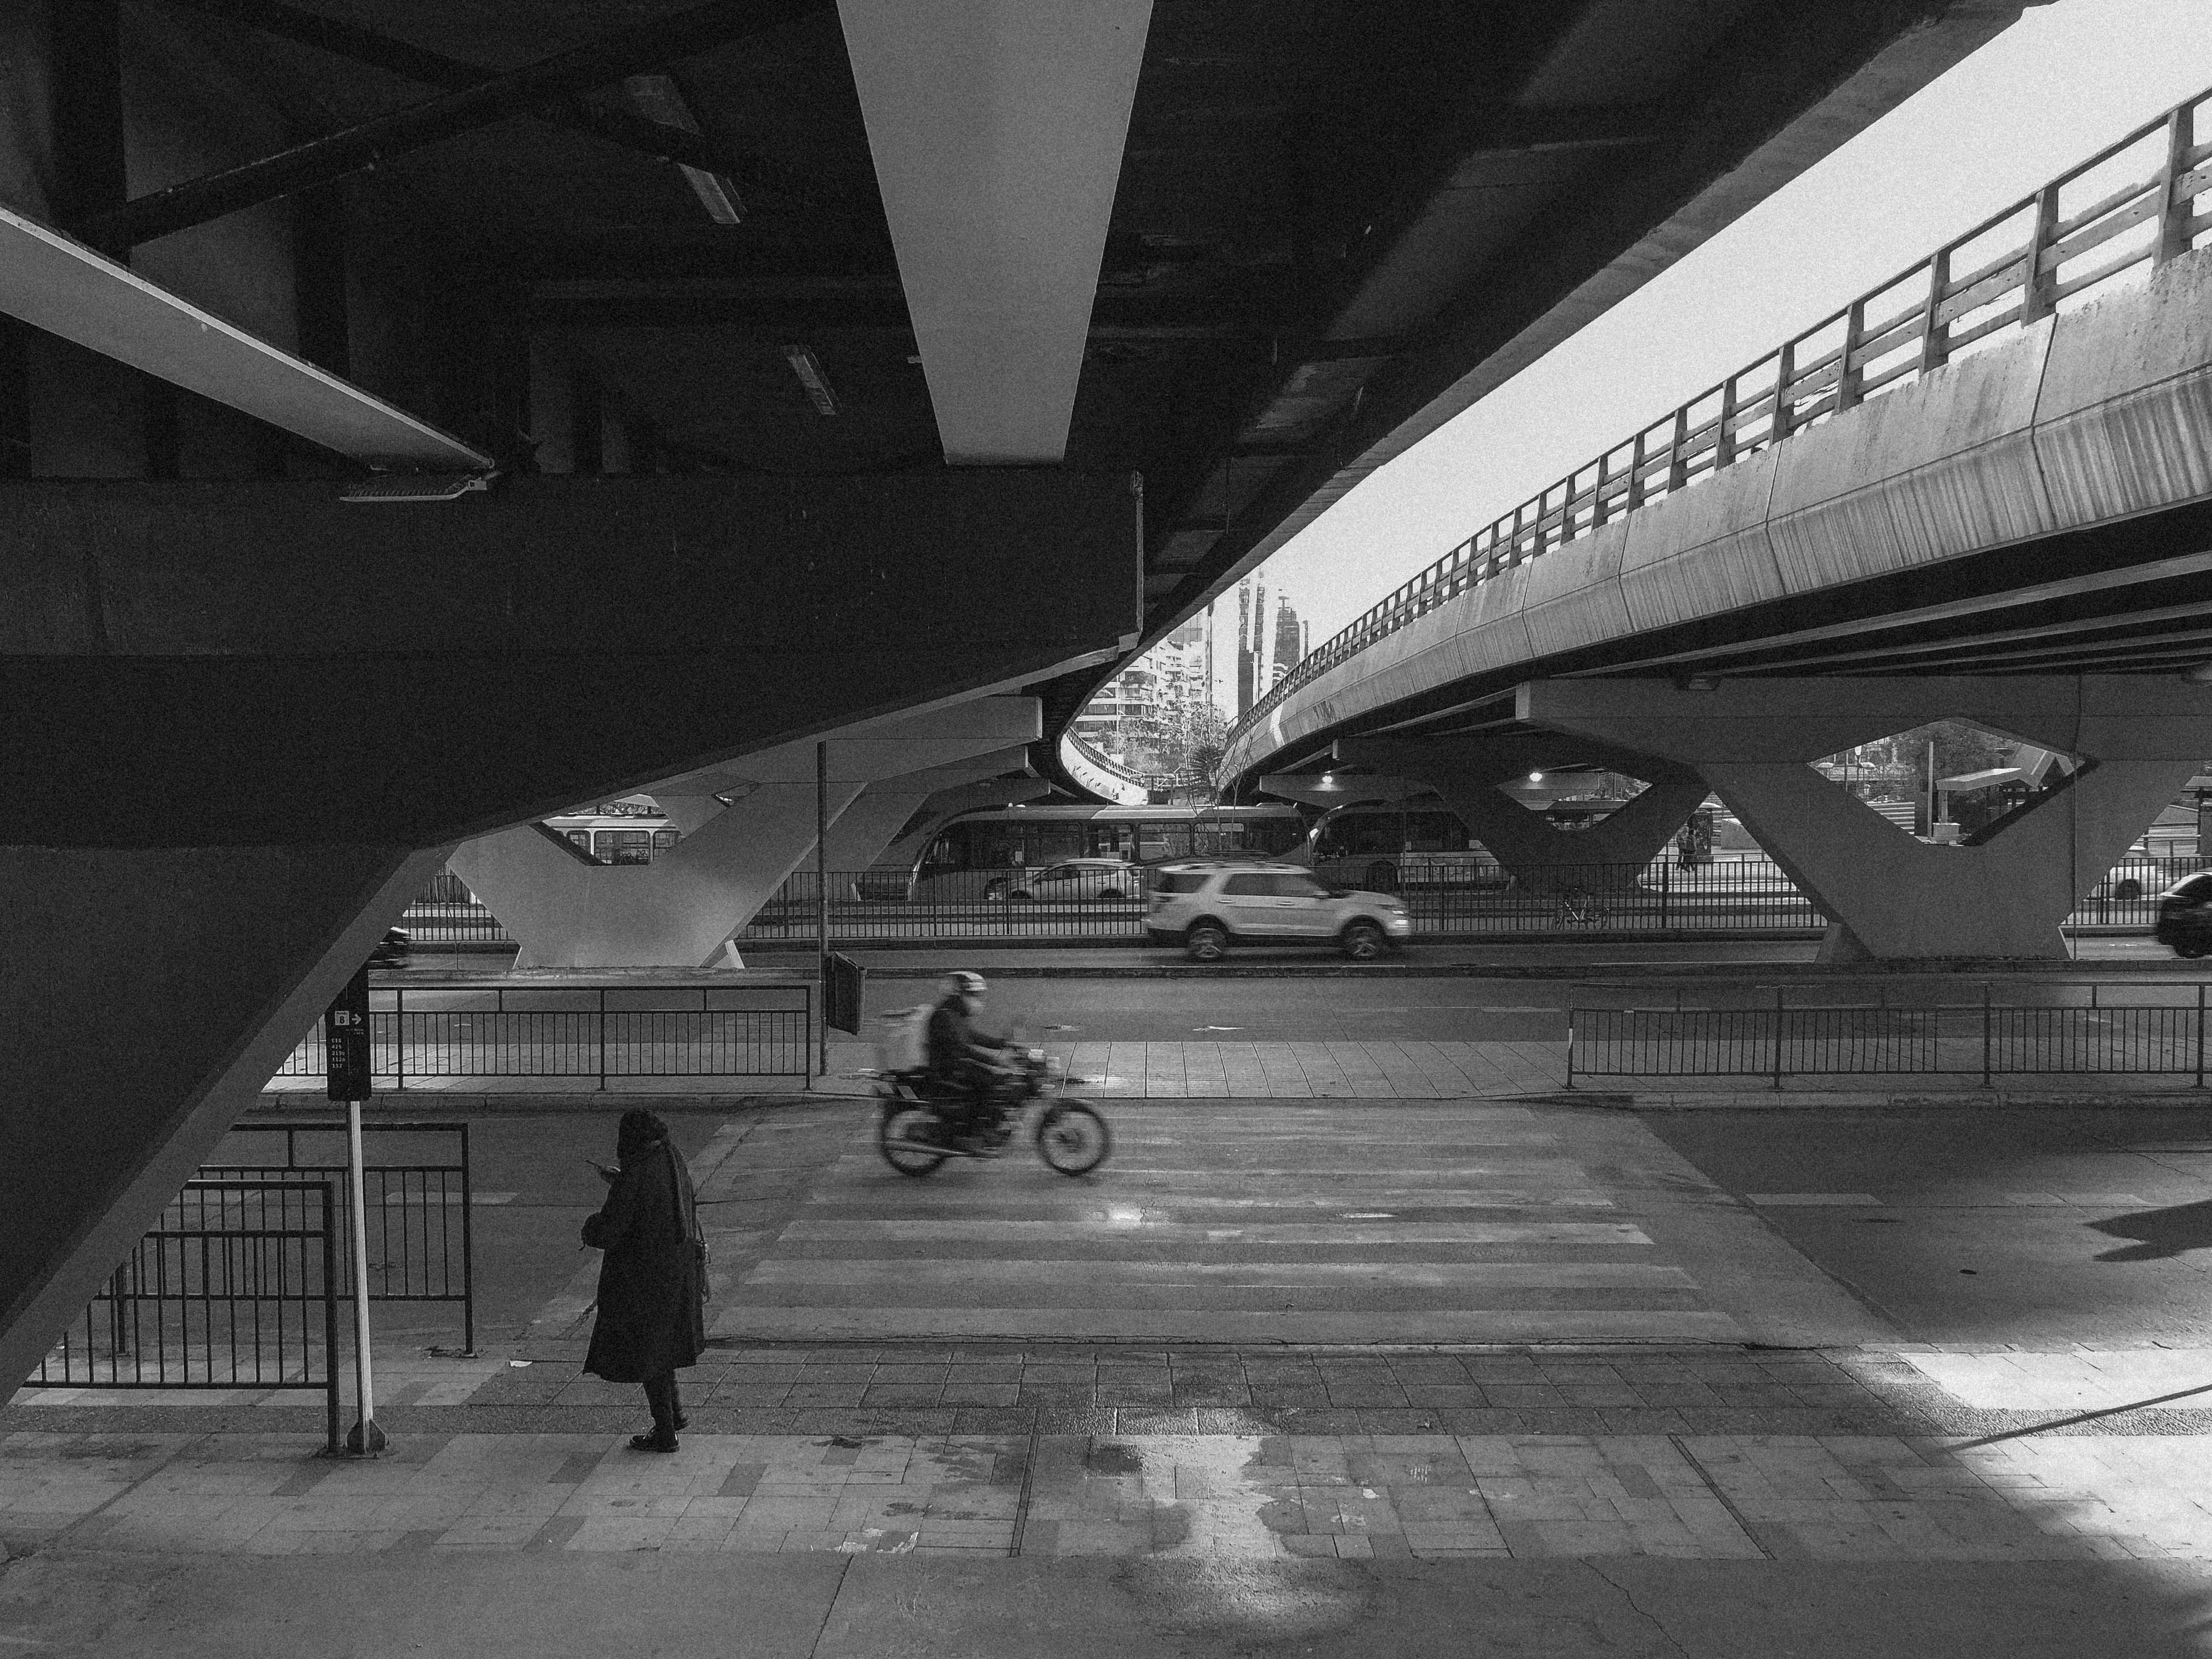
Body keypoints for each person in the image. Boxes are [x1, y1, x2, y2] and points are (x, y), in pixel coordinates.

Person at [581, 1109, 706, 1453]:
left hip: (645, 1277)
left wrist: (589, 1227)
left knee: (651, 1352)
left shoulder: (637, 1174)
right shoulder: (669, 1155)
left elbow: (611, 1230)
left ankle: (666, 1430)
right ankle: (673, 1417)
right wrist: (621, 1181)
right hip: (675, 1271)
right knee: (662, 1348)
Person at [925, 970, 1016, 1147]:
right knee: (989, 1083)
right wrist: (994, 1061)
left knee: (995, 1081)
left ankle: (986, 1126)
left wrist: (1003, 1044)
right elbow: (964, 1049)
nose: (976, 1000)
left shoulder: (954, 1014)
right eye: (972, 995)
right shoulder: (945, 1016)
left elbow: (973, 1037)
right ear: (959, 994)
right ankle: (974, 1133)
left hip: (957, 1065)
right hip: (948, 1070)